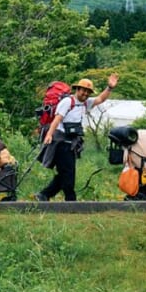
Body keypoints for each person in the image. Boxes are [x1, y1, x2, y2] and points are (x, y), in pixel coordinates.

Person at [34, 73, 119, 202]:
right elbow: (57, 119)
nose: (85, 94)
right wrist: (49, 135)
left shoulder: (85, 103)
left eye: (88, 92)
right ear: (77, 89)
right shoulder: (68, 101)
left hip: (71, 142)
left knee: (65, 173)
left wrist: (109, 88)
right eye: (83, 90)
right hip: (60, 141)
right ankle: (70, 200)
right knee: (68, 173)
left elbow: (100, 99)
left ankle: (44, 195)